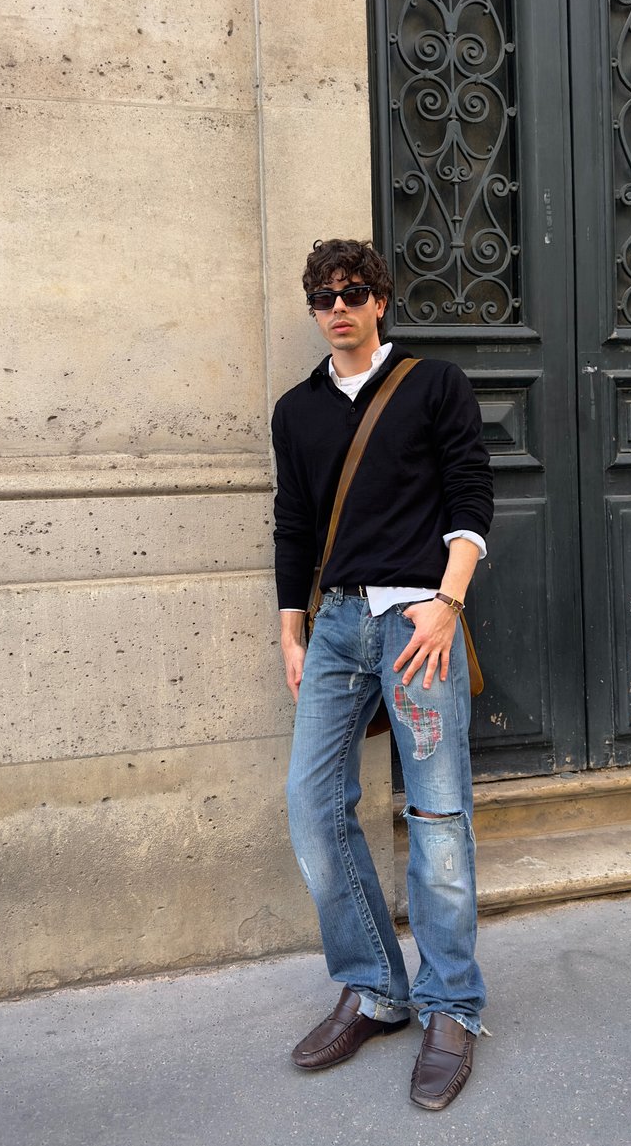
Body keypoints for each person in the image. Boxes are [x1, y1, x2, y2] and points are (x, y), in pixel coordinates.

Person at [271, 238, 493, 1111]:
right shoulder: (296, 411)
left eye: (354, 291)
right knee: (313, 806)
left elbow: (472, 497)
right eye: (324, 296)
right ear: (314, 308)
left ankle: (452, 1005)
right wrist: (292, 634)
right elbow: (293, 525)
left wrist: (447, 604)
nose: (339, 306)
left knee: (437, 818)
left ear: (381, 301)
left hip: (417, 624)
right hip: (333, 628)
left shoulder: (434, 385)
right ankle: (375, 987)